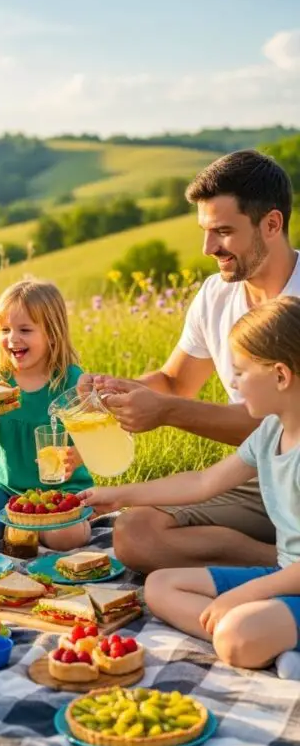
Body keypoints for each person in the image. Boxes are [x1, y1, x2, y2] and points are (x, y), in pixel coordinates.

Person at [79, 149, 300, 573]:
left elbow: (284, 423)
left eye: (223, 231)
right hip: (253, 476)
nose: (207, 247)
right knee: (134, 533)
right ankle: (282, 566)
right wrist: (105, 403)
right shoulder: (216, 295)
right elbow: (175, 381)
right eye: (204, 230)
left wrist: (168, 412)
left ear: (272, 224)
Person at [82, 297, 300, 668]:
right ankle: (273, 642)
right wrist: (118, 496)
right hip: (284, 576)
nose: (232, 381)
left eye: (242, 372)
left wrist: (243, 594)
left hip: (287, 580)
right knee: (159, 586)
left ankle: (259, 639)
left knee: (234, 637)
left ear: (280, 375)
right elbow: (202, 482)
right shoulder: (271, 432)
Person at [0, 279, 94, 548]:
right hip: (5, 489)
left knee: (66, 539)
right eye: (4, 330)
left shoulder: (72, 381)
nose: (12, 338)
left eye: (25, 329)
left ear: (52, 333)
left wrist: (79, 456)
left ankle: (31, 528)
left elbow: (98, 440)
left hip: (60, 489)